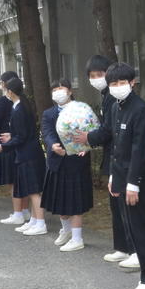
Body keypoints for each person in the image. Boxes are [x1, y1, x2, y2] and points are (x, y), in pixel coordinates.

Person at [82, 62, 145, 289]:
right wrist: (113, 176)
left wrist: (133, 183)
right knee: (134, 227)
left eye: (122, 82)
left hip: (139, 180)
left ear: (132, 83)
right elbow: (116, 146)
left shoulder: (140, 109)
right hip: (121, 176)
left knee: (143, 228)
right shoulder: (115, 107)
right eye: (113, 83)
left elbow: (140, 150)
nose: (117, 87)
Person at [84, 55, 135, 265]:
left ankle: (133, 249)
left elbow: (108, 130)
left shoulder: (115, 99)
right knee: (116, 205)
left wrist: (88, 138)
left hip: (121, 160)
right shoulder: (107, 96)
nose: (96, 79)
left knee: (124, 205)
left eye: (100, 74)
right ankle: (122, 247)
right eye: (92, 75)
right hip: (112, 157)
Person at [39, 79, 93, 250]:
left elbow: (91, 130)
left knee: (75, 201)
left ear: (70, 91)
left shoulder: (81, 109)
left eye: (61, 88)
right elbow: (47, 132)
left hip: (77, 160)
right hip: (57, 161)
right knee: (60, 200)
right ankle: (66, 230)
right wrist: (53, 145)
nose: (58, 92)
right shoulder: (49, 113)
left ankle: (77, 238)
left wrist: (86, 147)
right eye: (54, 89)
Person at [0, 77, 47, 232]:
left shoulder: (20, 109)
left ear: (10, 92)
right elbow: (24, 132)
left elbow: (21, 137)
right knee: (31, 190)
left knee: (34, 192)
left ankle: (41, 223)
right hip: (29, 152)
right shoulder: (21, 106)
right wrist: (12, 136)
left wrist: (4, 146)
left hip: (28, 154)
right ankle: (34, 220)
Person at [0, 72, 29, 222]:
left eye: (2, 82)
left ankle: (18, 213)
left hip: (8, 143)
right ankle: (24, 210)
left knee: (13, 181)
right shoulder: (24, 101)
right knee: (19, 180)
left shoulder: (5, 102)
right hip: (17, 144)